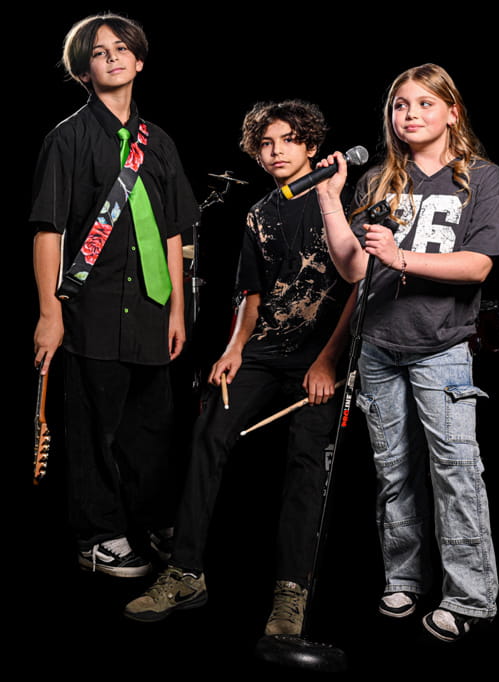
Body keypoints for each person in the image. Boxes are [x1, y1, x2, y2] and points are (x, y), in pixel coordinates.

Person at [124, 100, 355, 640]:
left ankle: (291, 591)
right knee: (209, 431)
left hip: (319, 358)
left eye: (287, 141)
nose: (275, 152)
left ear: (311, 145)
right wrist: (232, 350)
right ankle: (185, 572)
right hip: (264, 351)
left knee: (305, 462)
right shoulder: (260, 213)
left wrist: (327, 361)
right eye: (266, 144)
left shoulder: (341, 199)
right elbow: (252, 296)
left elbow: (358, 286)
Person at [315, 64, 499, 642]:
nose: (411, 114)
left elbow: (478, 266)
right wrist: (330, 200)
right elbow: (352, 267)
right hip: (378, 347)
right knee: (393, 470)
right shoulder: (377, 180)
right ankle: (402, 578)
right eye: (400, 105)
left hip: (441, 347)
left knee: (455, 472)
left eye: (425, 103)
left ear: (452, 111)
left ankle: (470, 597)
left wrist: (402, 257)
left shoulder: (480, 177)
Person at [31, 13, 199, 577]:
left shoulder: (162, 144)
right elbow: (48, 231)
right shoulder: (68, 138)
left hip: (152, 310)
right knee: (93, 429)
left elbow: (176, 231)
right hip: (91, 310)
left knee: (152, 427)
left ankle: (153, 521)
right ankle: (99, 536)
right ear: (84, 70)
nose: (113, 58)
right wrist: (49, 312)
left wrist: (178, 308)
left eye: (122, 49)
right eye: (99, 53)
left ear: (140, 61)